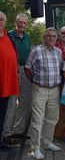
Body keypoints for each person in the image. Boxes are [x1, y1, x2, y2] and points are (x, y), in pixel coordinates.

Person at [25, 27, 63, 159]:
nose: (51, 38)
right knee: (37, 120)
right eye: (49, 36)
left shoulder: (58, 52)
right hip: (39, 89)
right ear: (44, 37)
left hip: (55, 90)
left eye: (54, 36)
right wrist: (35, 82)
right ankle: (35, 148)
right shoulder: (36, 51)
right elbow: (27, 68)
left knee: (52, 118)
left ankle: (47, 142)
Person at [2, 14, 31, 146]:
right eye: (20, 22)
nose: (22, 25)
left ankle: (19, 131)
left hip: (24, 70)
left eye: (24, 23)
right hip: (12, 71)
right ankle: (6, 133)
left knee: (25, 102)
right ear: (15, 23)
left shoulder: (28, 36)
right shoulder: (9, 36)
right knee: (11, 103)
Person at [0, 11, 20, 151]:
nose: (0, 21)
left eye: (1, 19)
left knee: (2, 114)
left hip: (7, 84)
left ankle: (1, 141)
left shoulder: (8, 37)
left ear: (5, 22)